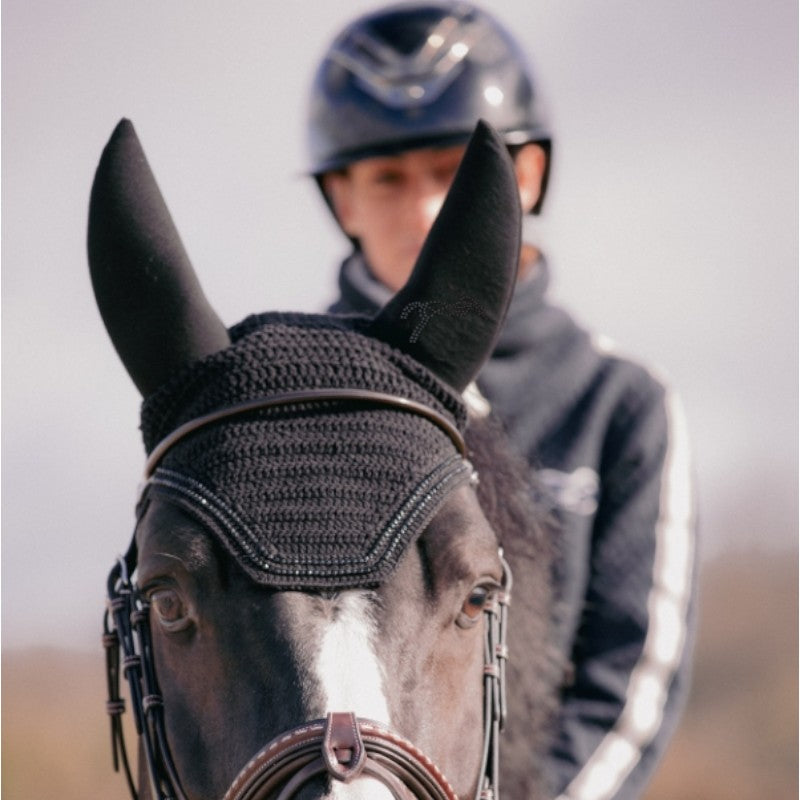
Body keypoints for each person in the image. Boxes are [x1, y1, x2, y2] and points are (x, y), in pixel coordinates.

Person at [305, 3, 698, 799]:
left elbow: (630, 685)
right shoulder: (287, 400)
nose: (422, 211)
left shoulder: (620, 401)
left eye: (452, 172)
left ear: (527, 176)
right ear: (342, 200)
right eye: (387, 178)